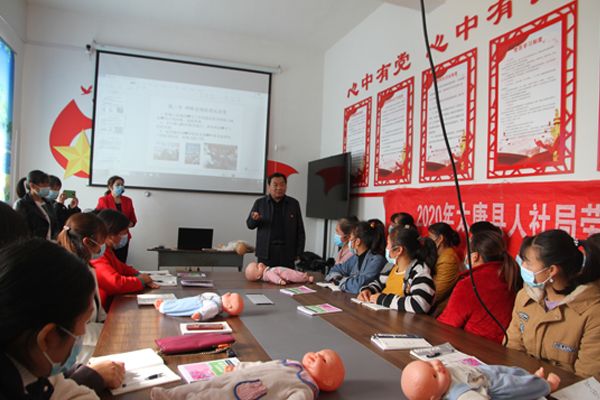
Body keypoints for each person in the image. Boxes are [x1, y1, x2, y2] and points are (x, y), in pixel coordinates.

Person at [0, 238, 100, 399]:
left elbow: (65, 389)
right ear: (47, 338)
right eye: (85, 323)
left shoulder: (31, 361)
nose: (83, 333)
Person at [507, 229, 600, 379]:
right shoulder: (525, 296)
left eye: (528, 263)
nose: (522, 266)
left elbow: (586, 378)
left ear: (551, 271)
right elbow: (512, 349)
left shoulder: (593, 312)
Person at [56, 213, 126, 393]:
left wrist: (110, 327)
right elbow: (75, 330)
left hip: (94, 345)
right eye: (100, 243)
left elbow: (99, 313)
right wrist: (109, 332)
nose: (102, 248)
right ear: (87, 242)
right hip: (80, 354)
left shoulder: (88, 267)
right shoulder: (67, 274)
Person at [150, 349, 345, 399]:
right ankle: (170, 395)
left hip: (245, 392)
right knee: (204, 384)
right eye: (318, 352)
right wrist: (240, 366)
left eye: (323, 360)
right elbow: (261, 365)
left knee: (214, 396)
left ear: (328, 380)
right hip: (237, 376)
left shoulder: (306, 389)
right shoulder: (291, 362)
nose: (316, 355)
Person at [437, 231, 521, 343]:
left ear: (475, 256)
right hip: (502, 347)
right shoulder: (510, 275)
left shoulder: (469, 284)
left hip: (474, 347)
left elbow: (447, 324)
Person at [357, 226, 437, 314]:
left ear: (398, 250)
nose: (386, 248)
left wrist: (382, 299)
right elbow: (379, 283)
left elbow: (420, 304)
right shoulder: (390, 266)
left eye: (388, 244)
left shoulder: (419, 271)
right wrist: (368, 290)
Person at [91, 209, 157, 310]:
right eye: (123, 233)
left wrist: (138, 274)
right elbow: (115, 284)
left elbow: (122, 268)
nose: (125, 237)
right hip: (102, 310)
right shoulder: (97, 255)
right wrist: (141, 280)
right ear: (110, 235)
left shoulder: (107, 250)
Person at [400, 359, 560, 400]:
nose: (437, 367)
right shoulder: (459, 394)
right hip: (492, 386)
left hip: (482, 372)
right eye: (435, 375)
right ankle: (547, 386)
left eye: (430, 364)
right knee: (517, 386)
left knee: (512, 371)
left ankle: (532, 377)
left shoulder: (445, 375)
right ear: (435, 398)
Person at [246, 173, 305, 267]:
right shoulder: (260, 203)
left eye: (282, 184)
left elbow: (300, 230)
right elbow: (250, 225)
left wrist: (299, 253)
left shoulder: (293, 204)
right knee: (265, 276)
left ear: (286, 186)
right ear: (269, 187)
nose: (279, 188)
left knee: (287, 276)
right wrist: (254, 219)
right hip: (266, 253)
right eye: (275, 185)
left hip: (287, 253)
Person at [324, 221, 386, 294]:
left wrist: (340, 281)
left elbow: (357, 286)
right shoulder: (355, 257)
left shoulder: (376, 260)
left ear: (357, 241)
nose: (349, 240)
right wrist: (340, 279)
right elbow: (335, 269)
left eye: (351, 237)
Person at [96, 176, 137, 263]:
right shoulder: (103, 200)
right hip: (109, 237)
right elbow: (99, 218)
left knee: (121, 261)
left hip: (123, 236)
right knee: (109, 261)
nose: (121, 186)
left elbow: (133, 220)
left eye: (122, 184)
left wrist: (129, 223)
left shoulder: (128, 200)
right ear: (110, 187)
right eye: (118, 185)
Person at [14, 170, 60, 240]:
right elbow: (22, 230)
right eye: (44, 185)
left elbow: (55, 224)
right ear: (32, 186)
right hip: (33, 244)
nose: (47, 188)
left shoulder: (48, 203)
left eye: (48, 185)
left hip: (49, 243)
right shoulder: (22, 204)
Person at [428, 222, 462, 314]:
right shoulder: (440, 255)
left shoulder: (448, 259)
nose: (428, 241)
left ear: (440, 239)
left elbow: (438, 292)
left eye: (430, 237)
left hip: (438, 311)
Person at [154, 292, 244, 321]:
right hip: (196, 299)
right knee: (181, 302)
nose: (228, 293)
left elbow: (207, 310)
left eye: (230, 295)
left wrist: (199, 314)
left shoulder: (215, 306)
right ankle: (166, 303)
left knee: (180, 307)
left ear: (229, 306)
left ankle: (163, 307)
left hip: (196, 304)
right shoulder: (216, 298)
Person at [245, 261, 314, 285]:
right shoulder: (268, 273)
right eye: (257, 267)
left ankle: (304, 276)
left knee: (294, 273)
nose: (260, 264)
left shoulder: (267, 272)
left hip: (283, 272)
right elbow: (273, 277)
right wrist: (279, 281)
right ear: (258, 276)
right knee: (294, 276)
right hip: (284, 274)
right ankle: (306, 278)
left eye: (257, 264)